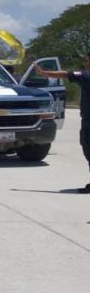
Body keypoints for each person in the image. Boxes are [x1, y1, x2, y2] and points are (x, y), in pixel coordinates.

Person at [37, 52, 90, 193]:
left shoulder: (86, 76)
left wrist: (44, 73)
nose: (86, 64)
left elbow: (65, 74)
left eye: (88, 61)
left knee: (88, 149)